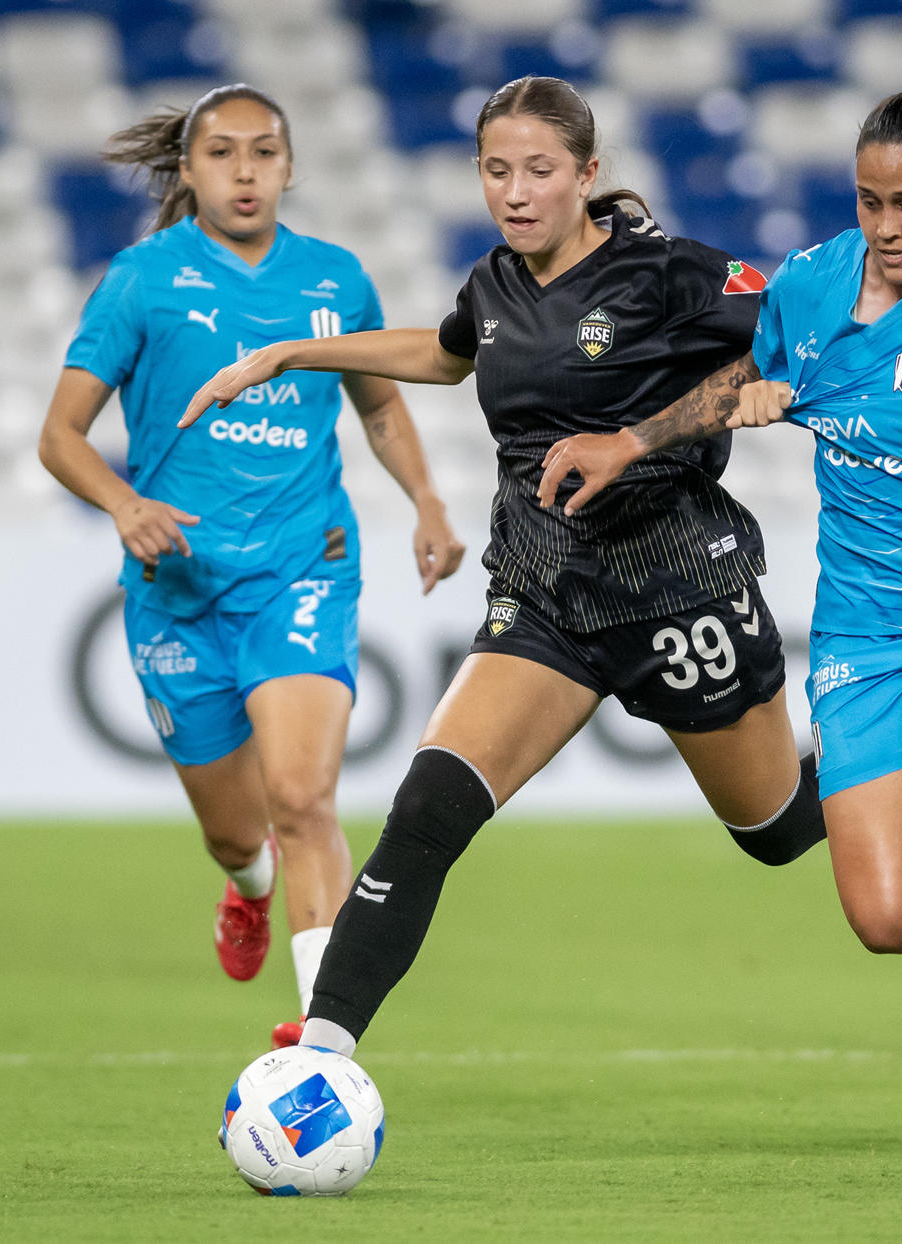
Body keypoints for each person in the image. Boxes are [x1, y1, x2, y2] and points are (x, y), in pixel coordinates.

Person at [178, 77, 829, 1060]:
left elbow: (797, 344)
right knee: (428, 807)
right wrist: (285, 356)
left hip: (677, 590)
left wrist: (646, 433)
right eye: (496, 170)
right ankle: (320, 1049)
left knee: (775, 830)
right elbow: (444, 355)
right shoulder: (492, 287)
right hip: (546, 597)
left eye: (539, 170)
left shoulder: (667, 275)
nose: (515, 192)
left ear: (588, 175)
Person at [538, 59, 902, 1176]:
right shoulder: (812, 283)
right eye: (867, 200)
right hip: (867, 635)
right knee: (888, 916)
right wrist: (639, 437)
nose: (885, 225)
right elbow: (744, 379)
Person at [37, 84, 466, 1046]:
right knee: (239, 832)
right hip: (179, 593)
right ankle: (249, 887)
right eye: (222, 153)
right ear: (187, 171)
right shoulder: (143, 280)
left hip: (302, 568)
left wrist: (428, 503)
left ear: (288, 166)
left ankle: (322, 1040)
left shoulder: (335, 280)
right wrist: (125, 503)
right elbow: (60, 436)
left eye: (264, 152)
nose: (244, 171)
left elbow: (381, 406)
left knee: (305, 796)